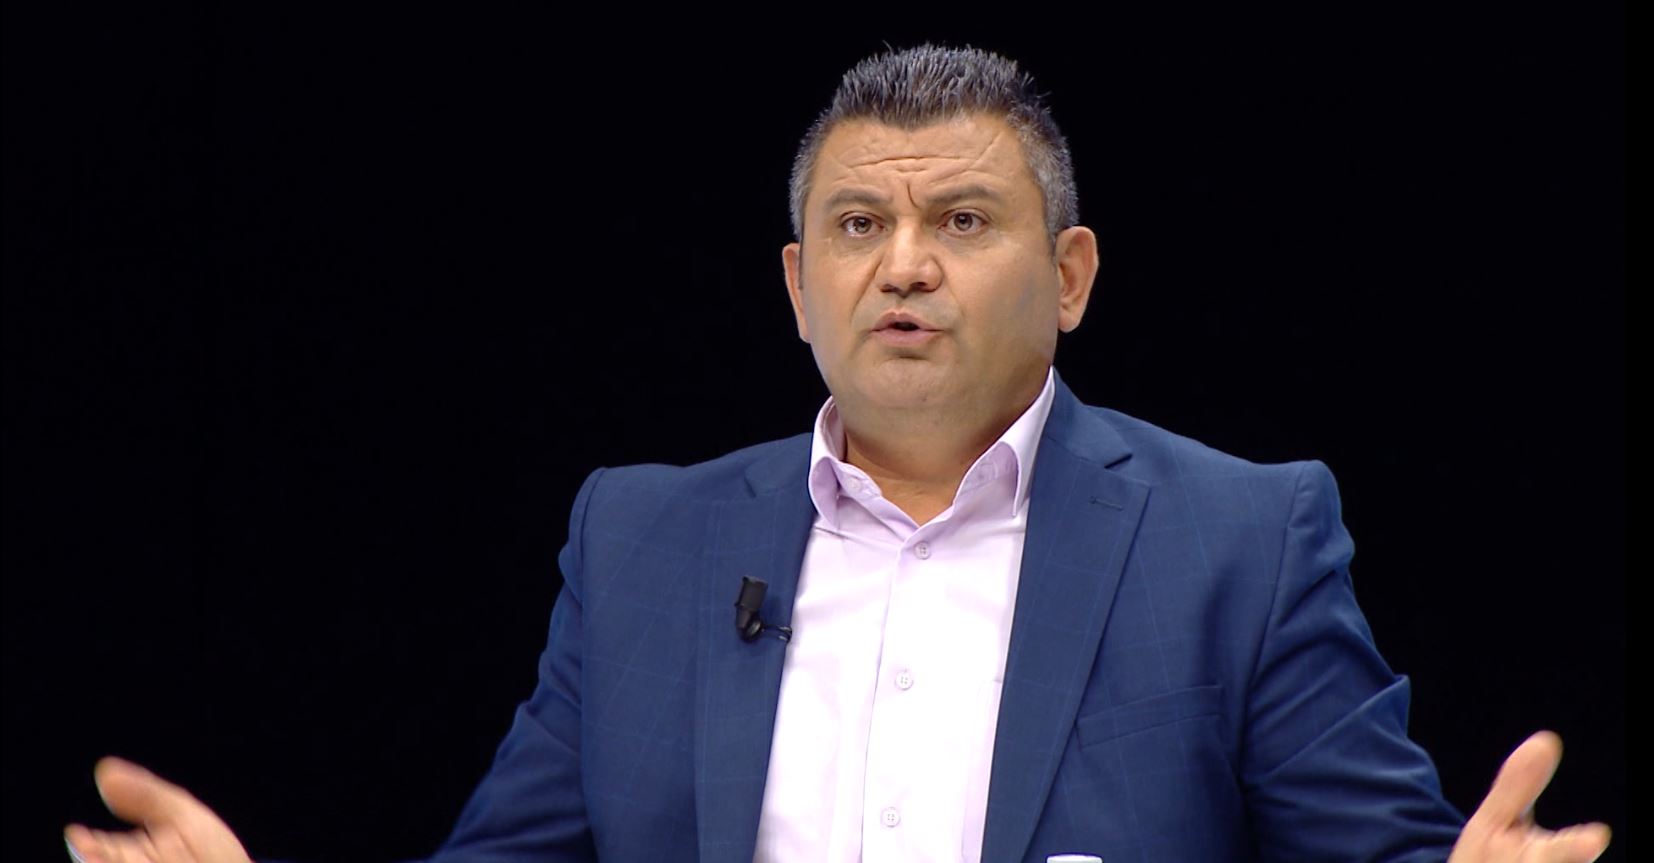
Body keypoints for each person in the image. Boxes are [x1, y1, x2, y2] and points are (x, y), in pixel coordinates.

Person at [65, 44, 1610, 863]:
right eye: (858, 225)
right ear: (799, 287)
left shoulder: (1239, 537)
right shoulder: (643, 540)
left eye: (961, 220)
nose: (904, 264)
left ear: (1068, 277)